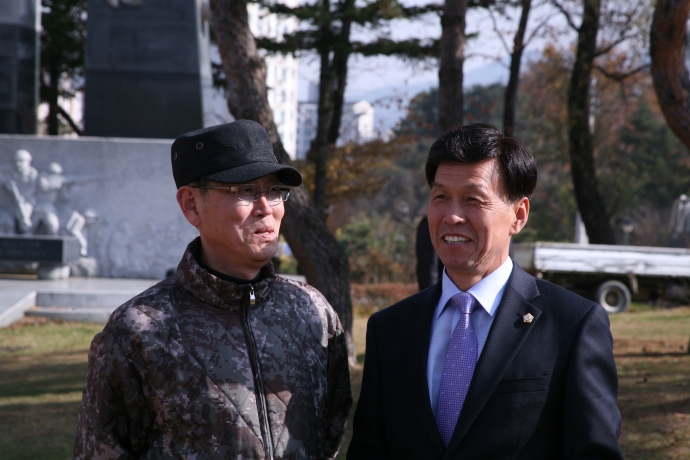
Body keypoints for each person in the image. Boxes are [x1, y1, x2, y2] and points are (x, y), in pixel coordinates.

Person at [74, 120, 353, 460]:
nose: (266, 207)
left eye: (275, 190)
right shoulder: (139, 330)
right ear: (191, 204)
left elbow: (330, 432)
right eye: (246, 191)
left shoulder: (312, 313)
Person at [348, 123, 623, 459]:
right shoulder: (389, 329)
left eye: (472, 199)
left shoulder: (571, 325)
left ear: (518, 215)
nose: (451, 216)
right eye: (440, 198)